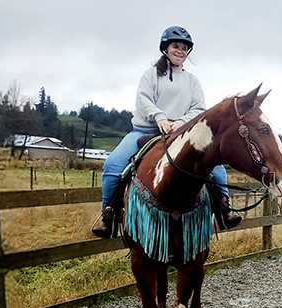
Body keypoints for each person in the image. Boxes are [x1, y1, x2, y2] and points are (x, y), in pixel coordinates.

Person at [92, 26, 239, 238]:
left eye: (185, 48)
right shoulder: (151, 75)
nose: (180, 51)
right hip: (145, 130)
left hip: (180, 133)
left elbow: (199, 109)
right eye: (176, 46)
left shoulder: (193, 81)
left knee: (216, 169)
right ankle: (109, 216)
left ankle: (224, 210)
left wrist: (180, 122)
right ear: (166, 49)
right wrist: (159, 117)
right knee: (113, 166)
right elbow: (143, 99)